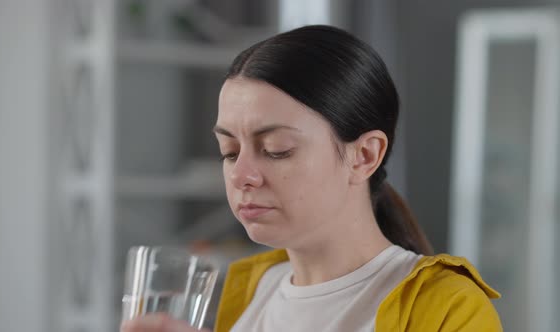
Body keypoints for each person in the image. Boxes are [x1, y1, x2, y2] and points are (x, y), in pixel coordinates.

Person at [121, 25, 502, 332]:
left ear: (364, 155)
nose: (241, 175)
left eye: (276, 149)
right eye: (229, 152)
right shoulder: (247, 291)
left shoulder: (445, 309)